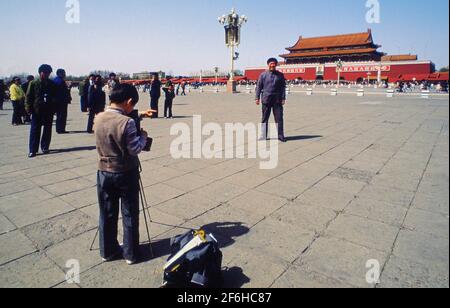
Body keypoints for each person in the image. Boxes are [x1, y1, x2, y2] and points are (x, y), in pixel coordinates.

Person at [94, 83, 154, 265]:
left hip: (104, 171)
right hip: (125, 172)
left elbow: (113, 121)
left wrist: (139, 114)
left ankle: (107, 251)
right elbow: (135, 148)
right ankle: (131, 253)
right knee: (129, 213)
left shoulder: (98, 117)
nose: (133, 109)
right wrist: (143, 135)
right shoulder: (126, 122)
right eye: (133, 105)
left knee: (106, 213)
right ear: (128, 101)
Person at [25, 64, 57, 158]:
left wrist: (54, 107)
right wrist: (28, 108)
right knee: (35, 130)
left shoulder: (51, 84)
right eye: (45, 73)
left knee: (47, 129)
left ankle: (45, 147)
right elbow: (28, 96)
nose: (47, 75)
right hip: (37, 109)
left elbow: (55, 97)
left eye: (49, 73)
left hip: (48, 109)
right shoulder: (34, 83)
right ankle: (33, 150)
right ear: (40, 73)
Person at [255, 58, 287, 143]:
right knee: (265, 118)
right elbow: (259, 87)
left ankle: (280, 136)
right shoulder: (263, 75)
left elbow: (283, 87)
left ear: (276, 65)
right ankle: (263, 135)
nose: (272, 65)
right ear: (268, 64)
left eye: (274, 64)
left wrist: (283, 98)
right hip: (266, 99)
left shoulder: (280, 75)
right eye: (271, 64)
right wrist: (257, 98)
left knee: (279, 118)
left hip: (277, 100)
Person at [54, 69, 72, 134]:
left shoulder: (55, 80)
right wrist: (69, 88)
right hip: (62, 101)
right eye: (64, 73)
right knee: (62, 116)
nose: (65, 74)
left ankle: (58, 129)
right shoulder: (61, 81)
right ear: (60, 74)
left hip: (57, 101)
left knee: (58, 116)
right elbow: (64, 92)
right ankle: (61, 129)